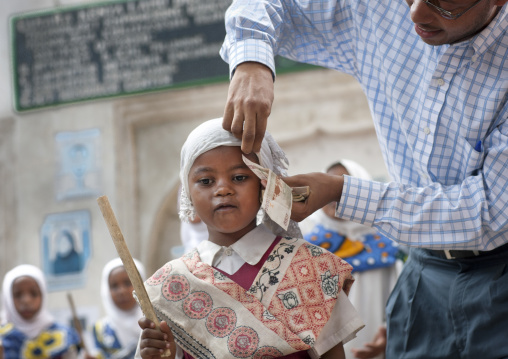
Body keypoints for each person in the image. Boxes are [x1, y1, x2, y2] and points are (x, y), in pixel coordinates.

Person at [219, 0, 508, 357]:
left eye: (443, 4)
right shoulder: (377, 10)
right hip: (423, 273)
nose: (415, 14)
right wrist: (252, 61)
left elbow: (488, 212)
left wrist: (341, 192)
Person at [136, 118, 364, 359]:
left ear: (264, 184)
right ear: (188, 193)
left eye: (239, 177)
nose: (222, 189)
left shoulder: (309, 268)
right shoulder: (171, 285)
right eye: (205, 181)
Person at [300, 160, 402, 359]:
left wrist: (391, 334)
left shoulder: (384, 247)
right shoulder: (307, 250)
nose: (333, 197)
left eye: (343, 188)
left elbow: (399, 302)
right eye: (327, 189)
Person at [0, 264, 81, 358]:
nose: (26, 301)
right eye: (18, 295)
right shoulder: (2, 337)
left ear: (43, 295)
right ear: (8, 298)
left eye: (34, 294)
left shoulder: (65, 336)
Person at [91, 258, 145, 359]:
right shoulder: (100, 330)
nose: (121, 291)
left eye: (128, 283)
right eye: (114, 286)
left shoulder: (157, 322)